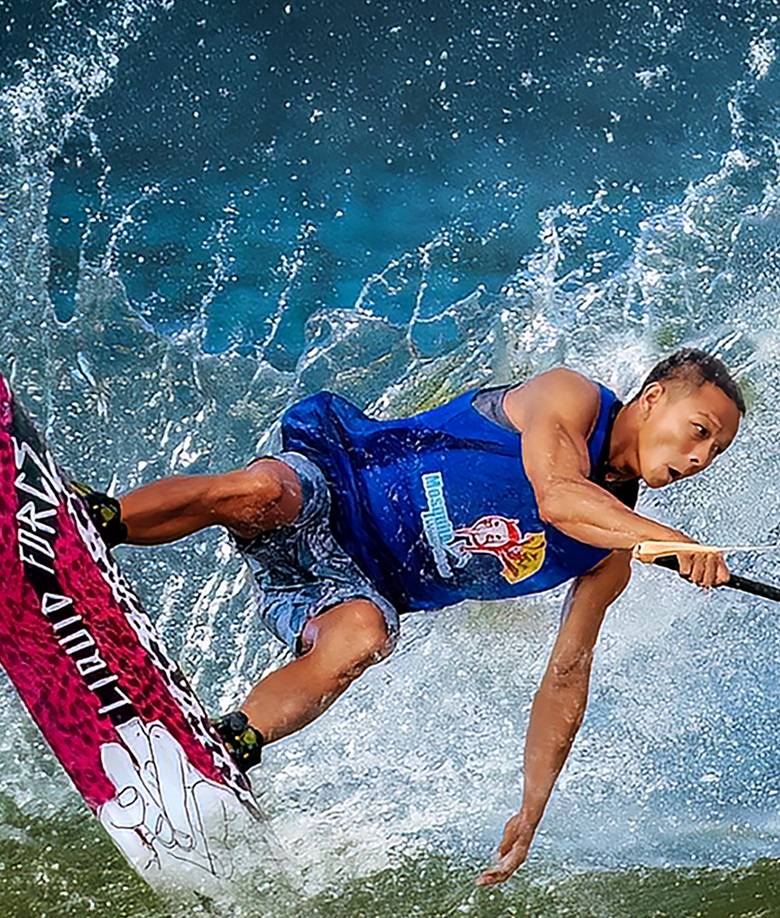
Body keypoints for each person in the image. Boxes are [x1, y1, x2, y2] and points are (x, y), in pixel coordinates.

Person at [78, 348, 744, 884]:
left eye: (715, 452)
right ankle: (94, 521)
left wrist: (533, 807)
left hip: (349, 583)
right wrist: (675, 541)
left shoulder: (612, 556)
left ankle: (221, 747)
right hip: (335, 482)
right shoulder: (571, 398)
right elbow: (559, 496)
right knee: (262, 490)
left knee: (364, 637)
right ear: (653, 398)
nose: (699, 458)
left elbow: (566, 676)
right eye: (700, 431)